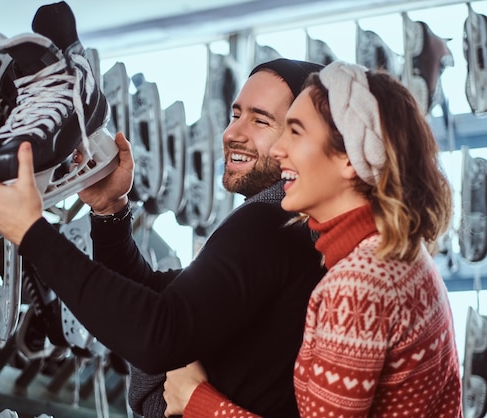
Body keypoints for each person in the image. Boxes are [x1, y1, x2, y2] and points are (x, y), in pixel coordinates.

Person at [0, 58, 326, 417]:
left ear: (304, 139)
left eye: (261, 120)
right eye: (236, 115)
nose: (233, 133)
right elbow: (160, 299)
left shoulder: (270, 224)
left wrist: (32, 232)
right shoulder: (295, 229)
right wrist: (110, 209)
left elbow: (156, 334)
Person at [162, 60, 463, 417]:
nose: (277, 150)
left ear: (350, 159)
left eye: (295, 132)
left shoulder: (357, 285)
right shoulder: (399, 254)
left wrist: (195, 399)